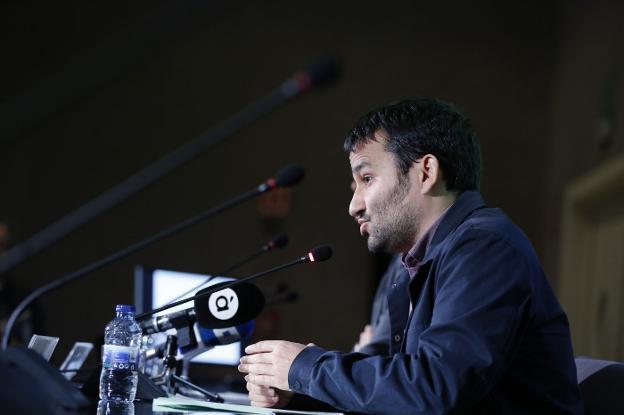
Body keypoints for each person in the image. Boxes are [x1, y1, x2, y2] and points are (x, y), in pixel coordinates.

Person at [238, 99, 583, 414]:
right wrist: (295, 386)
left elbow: (435, 386)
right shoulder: (410, 262)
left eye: (367, 178)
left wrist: (306, 368)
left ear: (426, 173)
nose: (354, 206)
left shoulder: (485, 247)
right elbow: (394, 378)